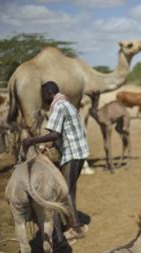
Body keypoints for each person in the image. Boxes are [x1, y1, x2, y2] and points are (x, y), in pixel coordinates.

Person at [22, 81, 90, 245]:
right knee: (69, 189)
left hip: (72, 153)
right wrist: (46, 145)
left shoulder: (58, 106)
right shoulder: (67, 103)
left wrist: (31, 141)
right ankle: (73, 224)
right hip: (79, 152)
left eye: (43, 95)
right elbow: (59, 134)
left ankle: (76, 228)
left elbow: (53, 134)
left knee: (63, 191)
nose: (42, 98)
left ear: (48, 92)